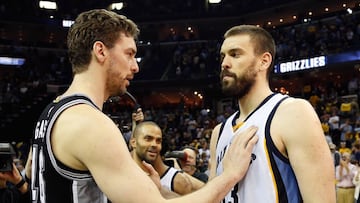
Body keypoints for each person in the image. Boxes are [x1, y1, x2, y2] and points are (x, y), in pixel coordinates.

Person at [30, 9, 259, 203]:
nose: (135, 67)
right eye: (129, 54)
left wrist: (152, 190)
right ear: (100, 51)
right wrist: (229, 175)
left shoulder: (53, 111)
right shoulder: (89, 122)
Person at [209, 25, 336, 202]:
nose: (224, 63)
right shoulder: (218, 132)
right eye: (223, 56)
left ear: (264, 61)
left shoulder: (293, 113)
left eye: (235, 54)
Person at [130, 121, 204, 196]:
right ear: (133, 142)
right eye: (148, 139)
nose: (154, 144)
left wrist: (159, 190)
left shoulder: (178, 180)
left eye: (158, 141)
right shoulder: (124, 175)